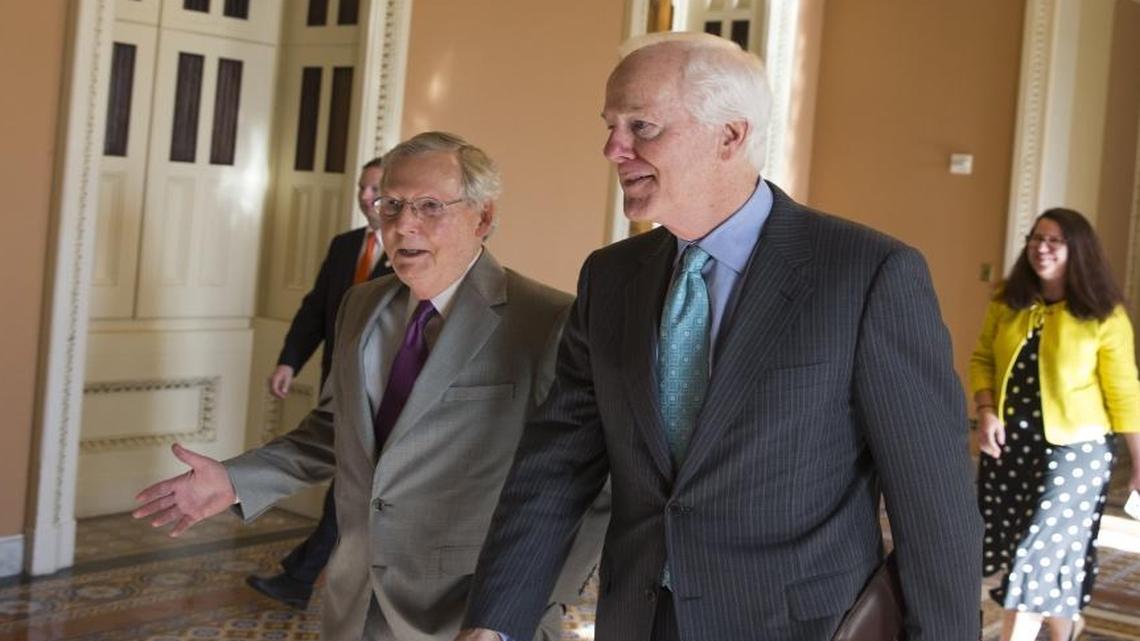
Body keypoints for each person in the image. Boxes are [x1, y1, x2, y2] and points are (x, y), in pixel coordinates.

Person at [456, 32, 981, 641]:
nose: (613, 148)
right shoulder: (611, 278)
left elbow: (935, 508)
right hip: (640, 619)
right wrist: (493, 623)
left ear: (729, 136)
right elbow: (555, 467)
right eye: (611, 126)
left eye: (641, 126)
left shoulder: (866, 274)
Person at [134, 131, 607, 641]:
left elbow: (592, 480)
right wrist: (236, 480)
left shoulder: (547, 320)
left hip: (474, 616)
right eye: (392, 204)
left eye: (429, 206)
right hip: (355, 603)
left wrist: (525, 612)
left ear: (483, 218)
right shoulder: (361, 307)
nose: (403, 225)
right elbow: (335, 431)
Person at [970, 208, 1140, 641]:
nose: (1040, 248)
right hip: (1011, 448)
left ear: (1078, 251)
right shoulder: (1008, 300)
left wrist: (1139, 463)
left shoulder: (1105, 315)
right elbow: (983, 359)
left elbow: (1124, 395)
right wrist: (986, 411)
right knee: (1042, 555)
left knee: (1035, 555)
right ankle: (1065, 632)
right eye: (1035, 238)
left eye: (1054, 242)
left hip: (1078, 454)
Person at [247, 157, 394, 609]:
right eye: (362, 188)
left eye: (375, 190)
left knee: (350, 486)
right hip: (337, 383)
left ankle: (303, 573)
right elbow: (315, 311)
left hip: (381, 392)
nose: (366, 197)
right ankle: (304, 573)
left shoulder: (411, 250)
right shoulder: (345, 245)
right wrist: (289, 361)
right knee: (348, 485)